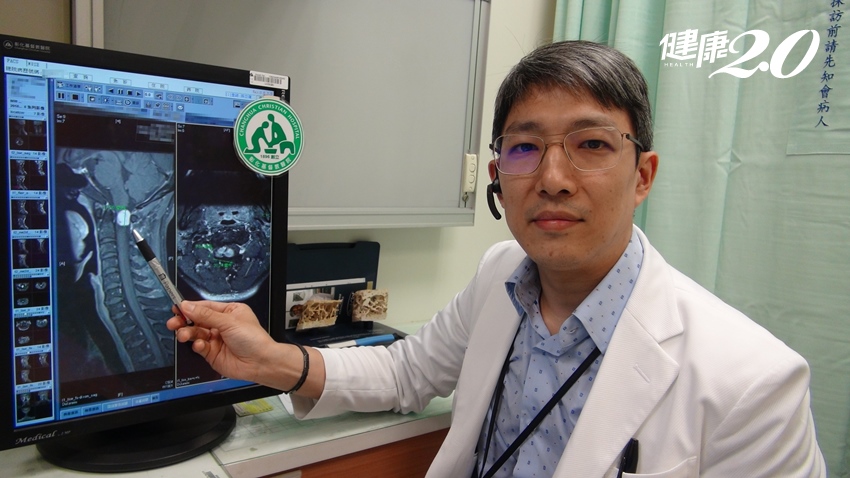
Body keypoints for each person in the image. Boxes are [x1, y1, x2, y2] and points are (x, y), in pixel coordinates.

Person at [168, 41, 826, 477]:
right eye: (525, 148)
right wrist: (268, 359)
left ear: (643, 175)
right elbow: (406, 372)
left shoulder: (753, 384)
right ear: (497, 176)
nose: (553, 178)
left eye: (592, 144)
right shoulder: (499, 275)